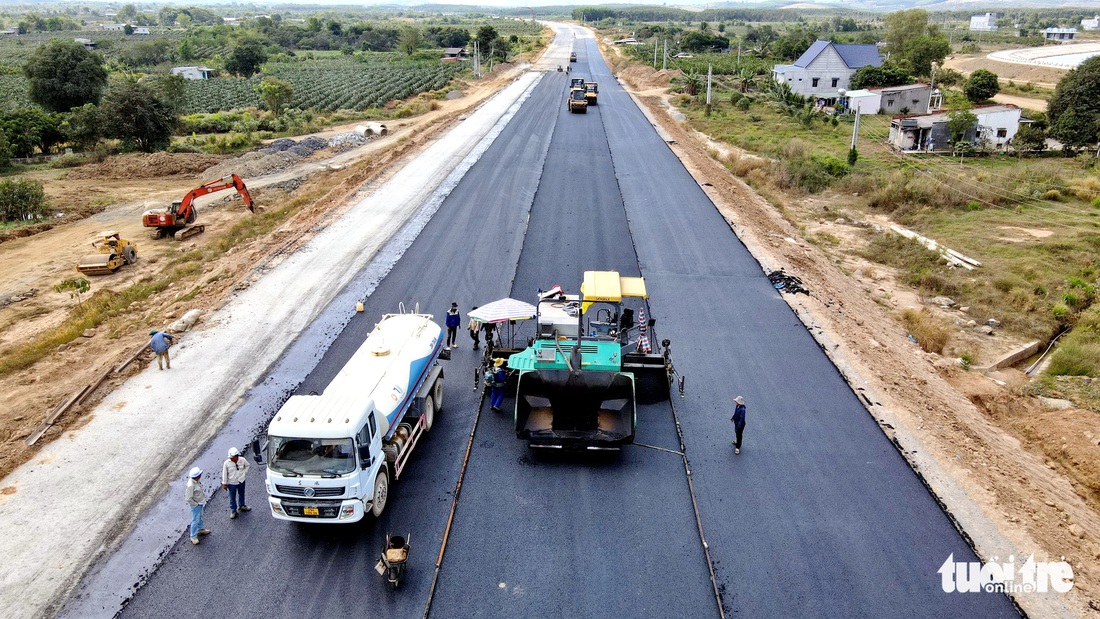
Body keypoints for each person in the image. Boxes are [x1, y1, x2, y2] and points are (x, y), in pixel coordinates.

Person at [221, 447, 251, 519]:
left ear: (236, 456)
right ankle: (233, 510)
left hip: (241, 481)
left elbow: (247, 465)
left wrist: (244, 473)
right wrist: (224, 483)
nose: (231, 459)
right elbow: (224, 473)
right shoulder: (226, 463)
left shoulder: (242, 460)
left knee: (241, 494)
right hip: (232, 483)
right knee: (232, 497)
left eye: (233, 457)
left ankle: (242, 506)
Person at [185, 467, 211, 545]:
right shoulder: (191, 485)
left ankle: (200, 530)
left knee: (200, 517)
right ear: (197, 476)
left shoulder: (195, 481)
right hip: (196, 505)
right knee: (195, 520)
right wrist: (196, 504)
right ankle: (193, 536)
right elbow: (188, 498)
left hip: (200, 503)